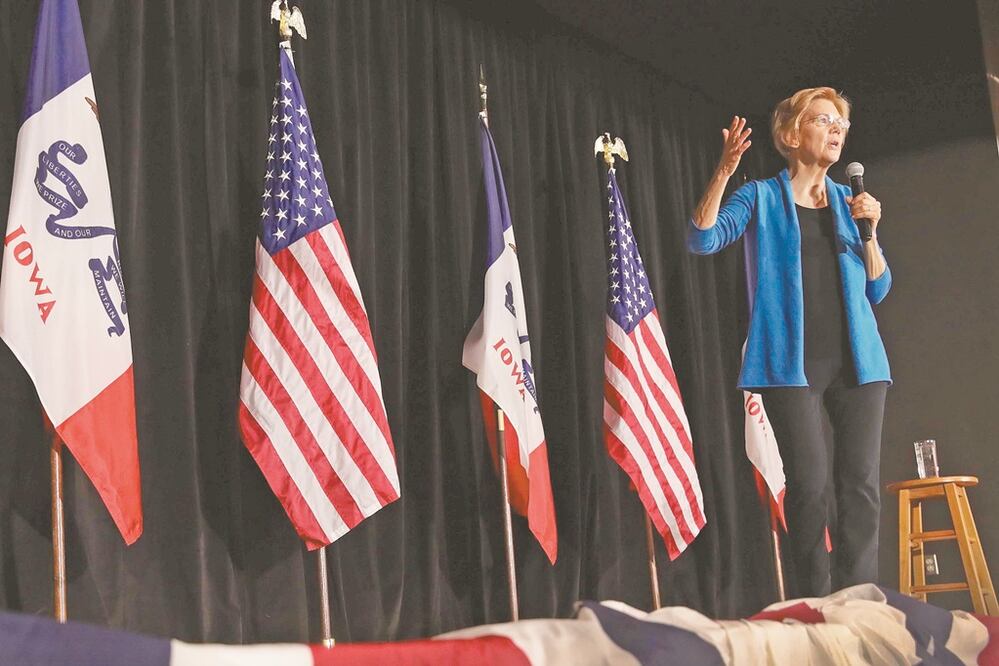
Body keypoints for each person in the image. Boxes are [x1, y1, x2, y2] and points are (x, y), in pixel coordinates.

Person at [687, 87, 891, 597]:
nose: (836, 129)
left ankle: (858, 600)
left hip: (859, 364)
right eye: (823, 120)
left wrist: (870, 231)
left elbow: (879, 287)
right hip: (790, 365)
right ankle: (815, 602)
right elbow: (703, 239)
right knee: (809, 488)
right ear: (792, 135)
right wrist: (724, 172)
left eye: (841, 123)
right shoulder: (760, 196)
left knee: (860, 486)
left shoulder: (850, 203)